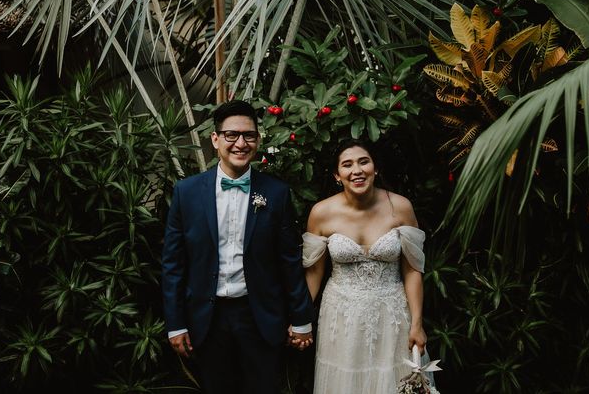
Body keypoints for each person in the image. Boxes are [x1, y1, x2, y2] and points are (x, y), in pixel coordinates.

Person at [161, 100, 314, 394]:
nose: (241, 143)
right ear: (215, 139)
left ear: (257, 140)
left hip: (259, 317)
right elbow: (173, 264)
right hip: (206, 319)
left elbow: (289, 261)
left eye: (249, 136)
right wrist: (176, 324)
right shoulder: (186, 192)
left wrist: (301, 318)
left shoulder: (276, 193)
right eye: (231, 135)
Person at [303, 139, 429, 394]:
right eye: (347, 165)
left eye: (363, 161)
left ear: (375, 168)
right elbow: (314, 271)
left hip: (391, 313)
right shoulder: (321, 212)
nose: (357, 170)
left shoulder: (401, 207)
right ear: (337, 175)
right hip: (341, 317)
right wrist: (300, 319)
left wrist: (417, 323)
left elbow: (412, 269)